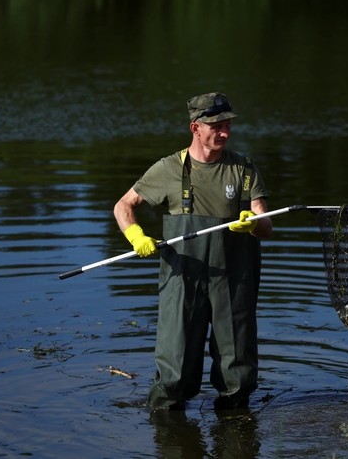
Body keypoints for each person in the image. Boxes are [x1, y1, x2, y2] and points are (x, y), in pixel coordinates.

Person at [113, 92, 272, 411]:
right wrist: (134, 234)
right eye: (216, 126)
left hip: (233, 280)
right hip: (182, 279)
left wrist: (252, 224)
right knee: (175, 370)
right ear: (195, 127)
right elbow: (124, 205)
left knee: (238, 370)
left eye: (227, 125)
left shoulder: (243, 169)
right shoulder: (168, 169)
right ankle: (168, 427)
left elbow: (265, 225)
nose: (224, 133)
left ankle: (235, 427)